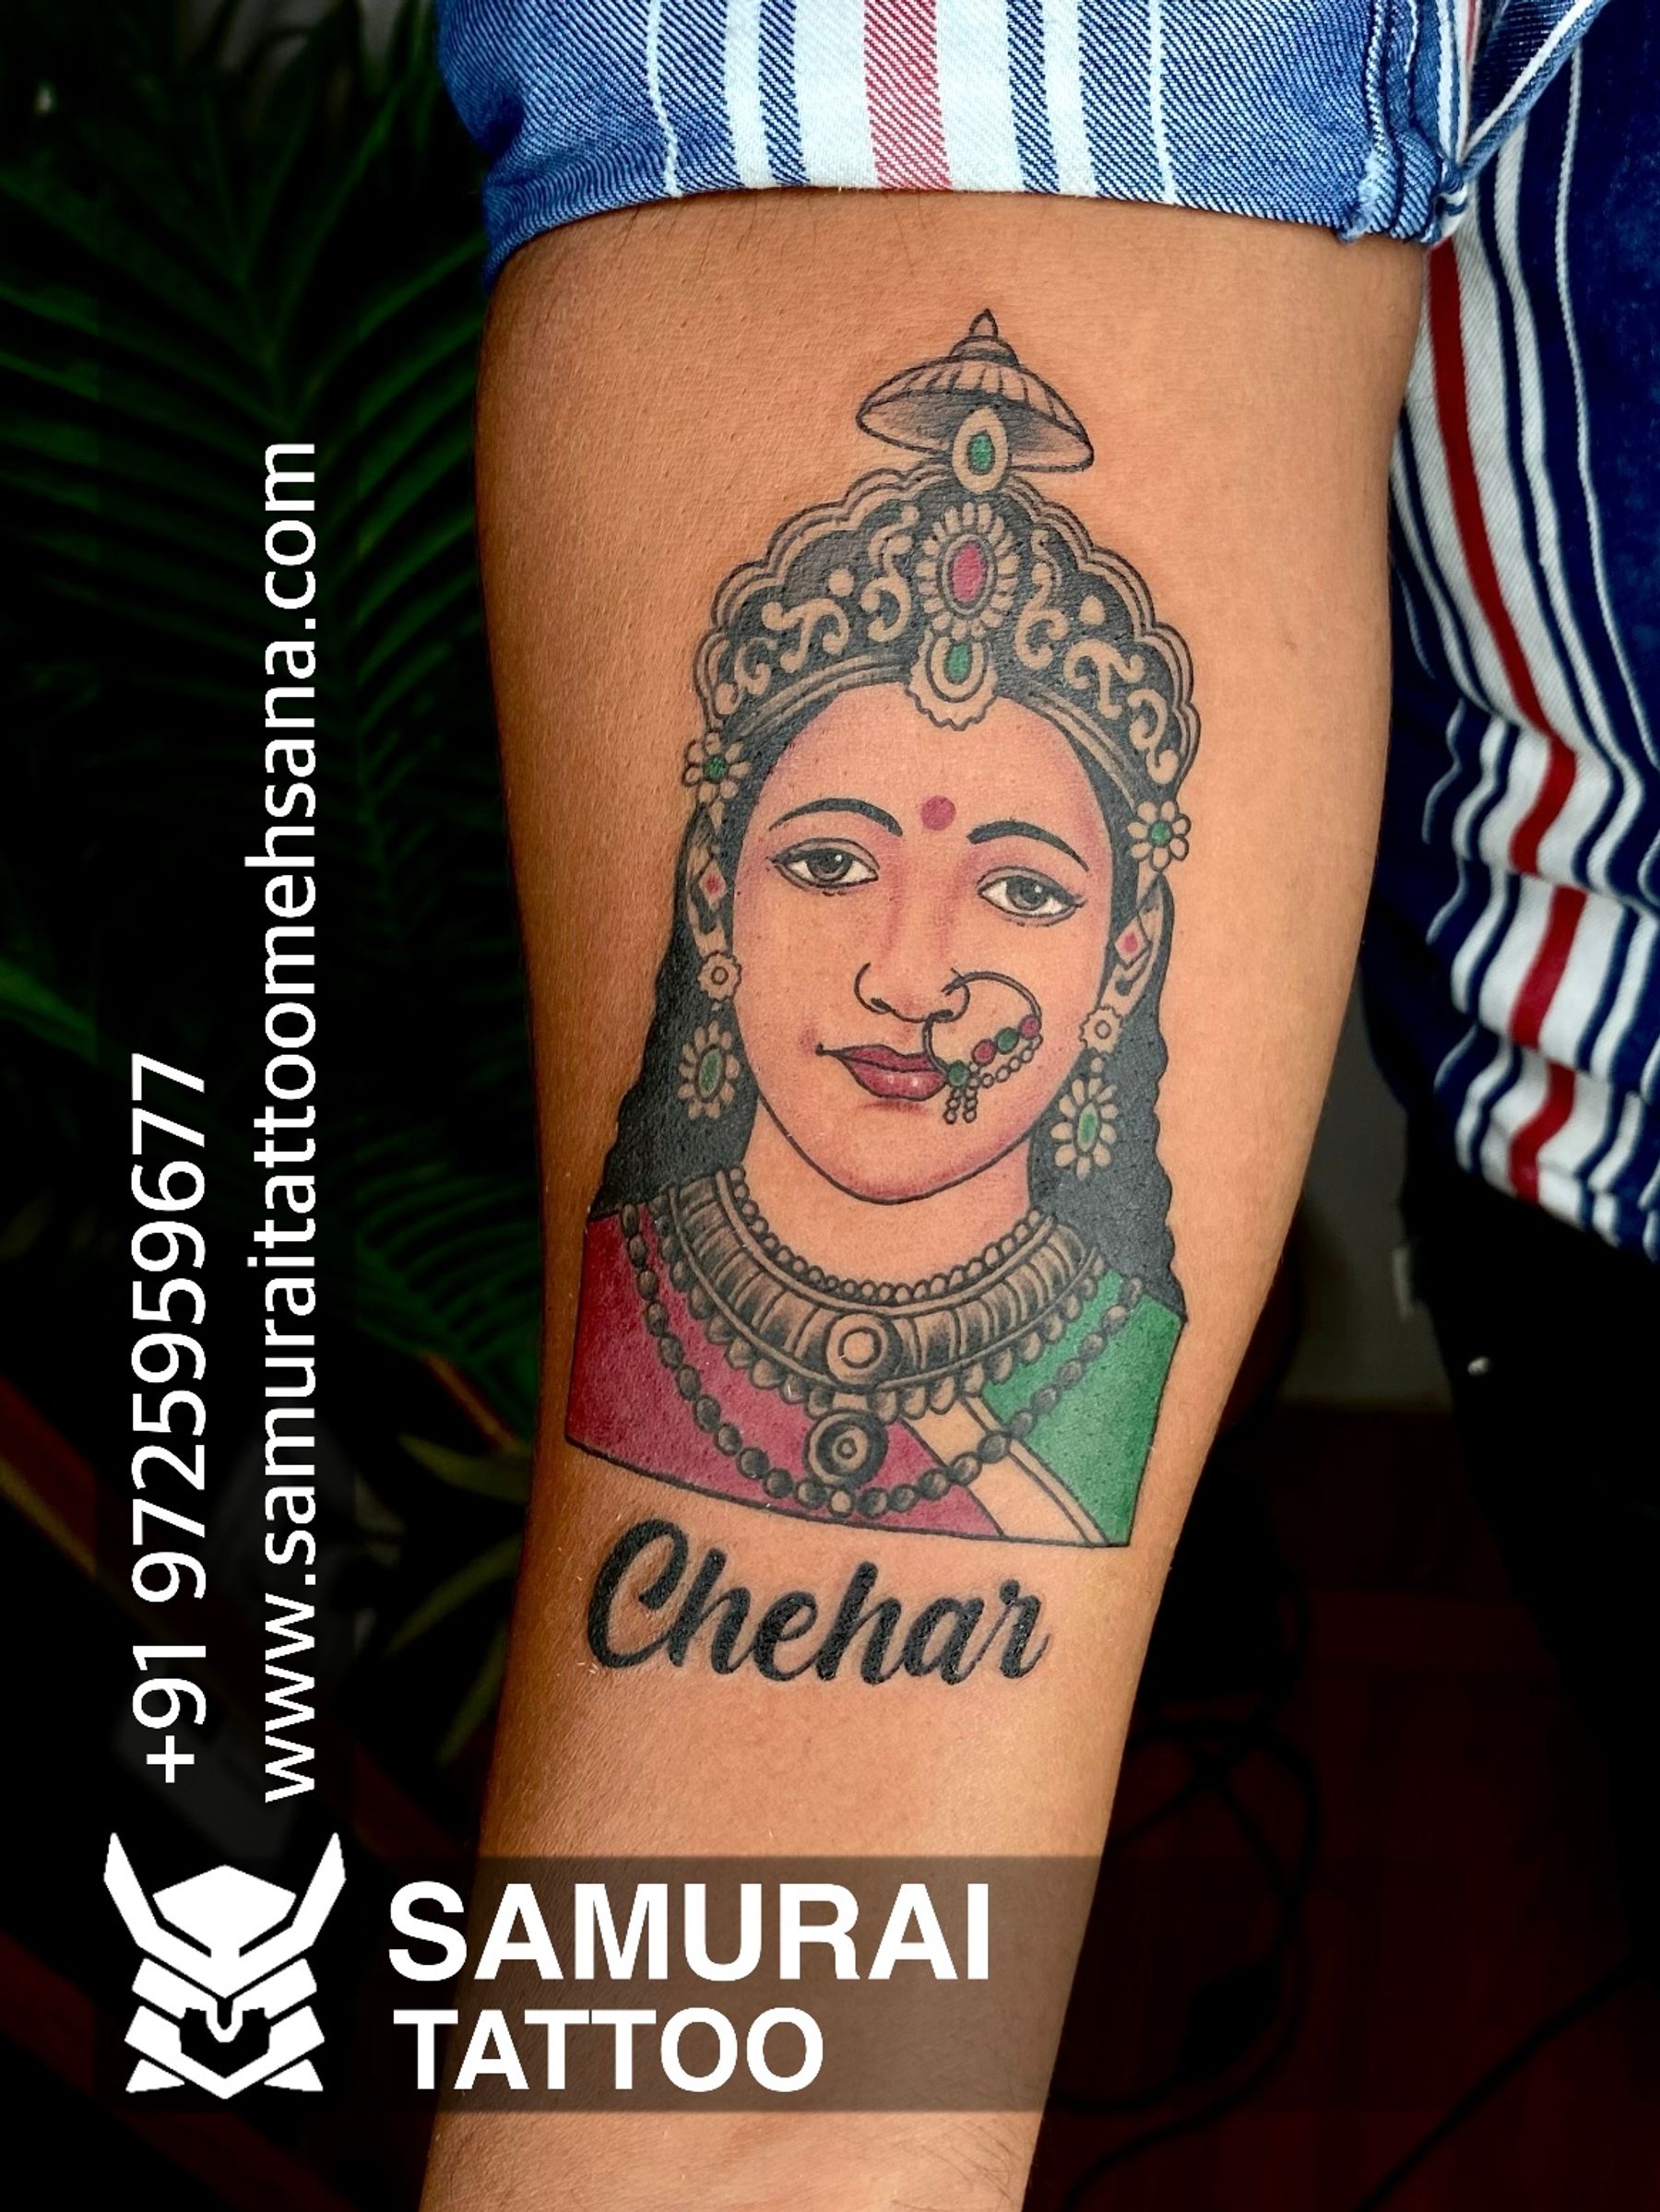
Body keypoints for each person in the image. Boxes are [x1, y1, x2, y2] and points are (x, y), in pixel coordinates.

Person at [423, 2, 1645, 2204]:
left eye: (1022, 884)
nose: (917, 977)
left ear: (1124, 952)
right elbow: (750, 2125)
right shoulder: (685, 1331)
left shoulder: (1079, 1344)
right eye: (827, 862)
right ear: (715, 895)